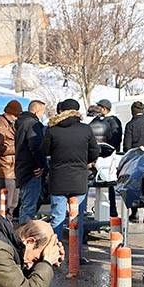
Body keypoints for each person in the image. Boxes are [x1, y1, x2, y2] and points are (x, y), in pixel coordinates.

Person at [39, 99, 99, 257]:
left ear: (61, 111)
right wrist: (84, 162)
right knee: (77, 218)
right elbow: (95, 151)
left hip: (58, 178)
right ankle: (76, 255)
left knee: (57, 217)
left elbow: (44, 151)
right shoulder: (85, 129)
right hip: (79, 179)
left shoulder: (52, 130)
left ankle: (55, 254)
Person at [89, 98, 124, 218]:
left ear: (105, 108)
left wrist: (109, 151)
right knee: (94, 183)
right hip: (95, 156)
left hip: (107, 157)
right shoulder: (97, 120)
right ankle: (105, 211)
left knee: (108, 184)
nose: (97, 109)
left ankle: (112, 210)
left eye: (99, 107)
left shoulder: (113, 121)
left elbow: (115, 138)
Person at [15, 100, 48, 223]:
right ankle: (25, 234)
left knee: (25, 203)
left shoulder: (21, 123)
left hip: (23, 168)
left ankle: (24, 231)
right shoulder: (33, 124)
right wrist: (42, 165)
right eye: (42, 112)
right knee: (29, 205)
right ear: (36, 111)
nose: (43, 115)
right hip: (32, 170)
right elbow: (36, 146)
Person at [0, 100, 23, 218]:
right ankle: (0, 229)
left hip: (13, 170)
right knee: (5, 205)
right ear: (11, 114)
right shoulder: (0, 126)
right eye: (16, 115)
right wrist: (17, 147)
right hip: (5, 171)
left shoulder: (10, 125)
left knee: (12, 205)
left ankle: (6, 228)